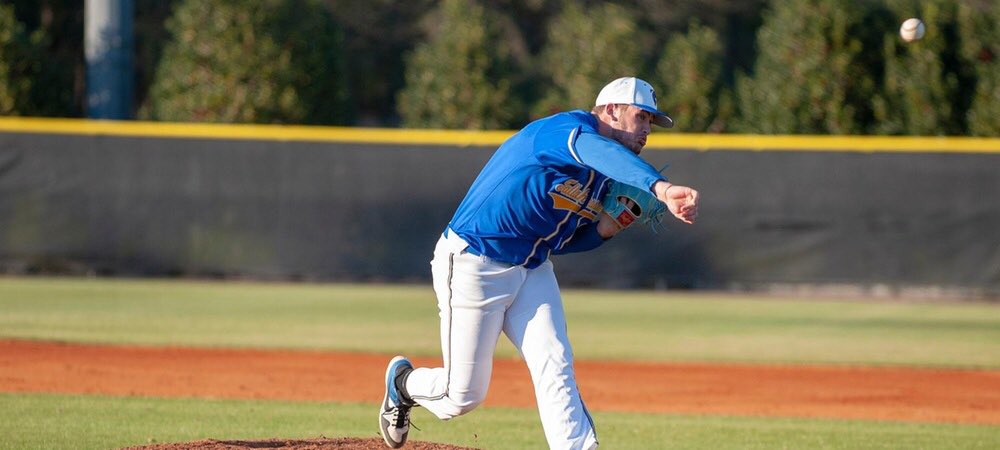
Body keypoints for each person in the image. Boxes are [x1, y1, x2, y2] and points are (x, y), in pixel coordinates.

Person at [378, 77, 699, 449]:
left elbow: (560, 242)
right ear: (611, 110)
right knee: (461, 396)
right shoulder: (562, 131)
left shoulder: (601, 179)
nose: (646, 129)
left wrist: (605, 229)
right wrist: (660, 187)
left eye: (651, 122)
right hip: (474, 261)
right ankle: (403, 384)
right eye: (641, 116)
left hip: (532, 268)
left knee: (555, 362)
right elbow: (592, 149)